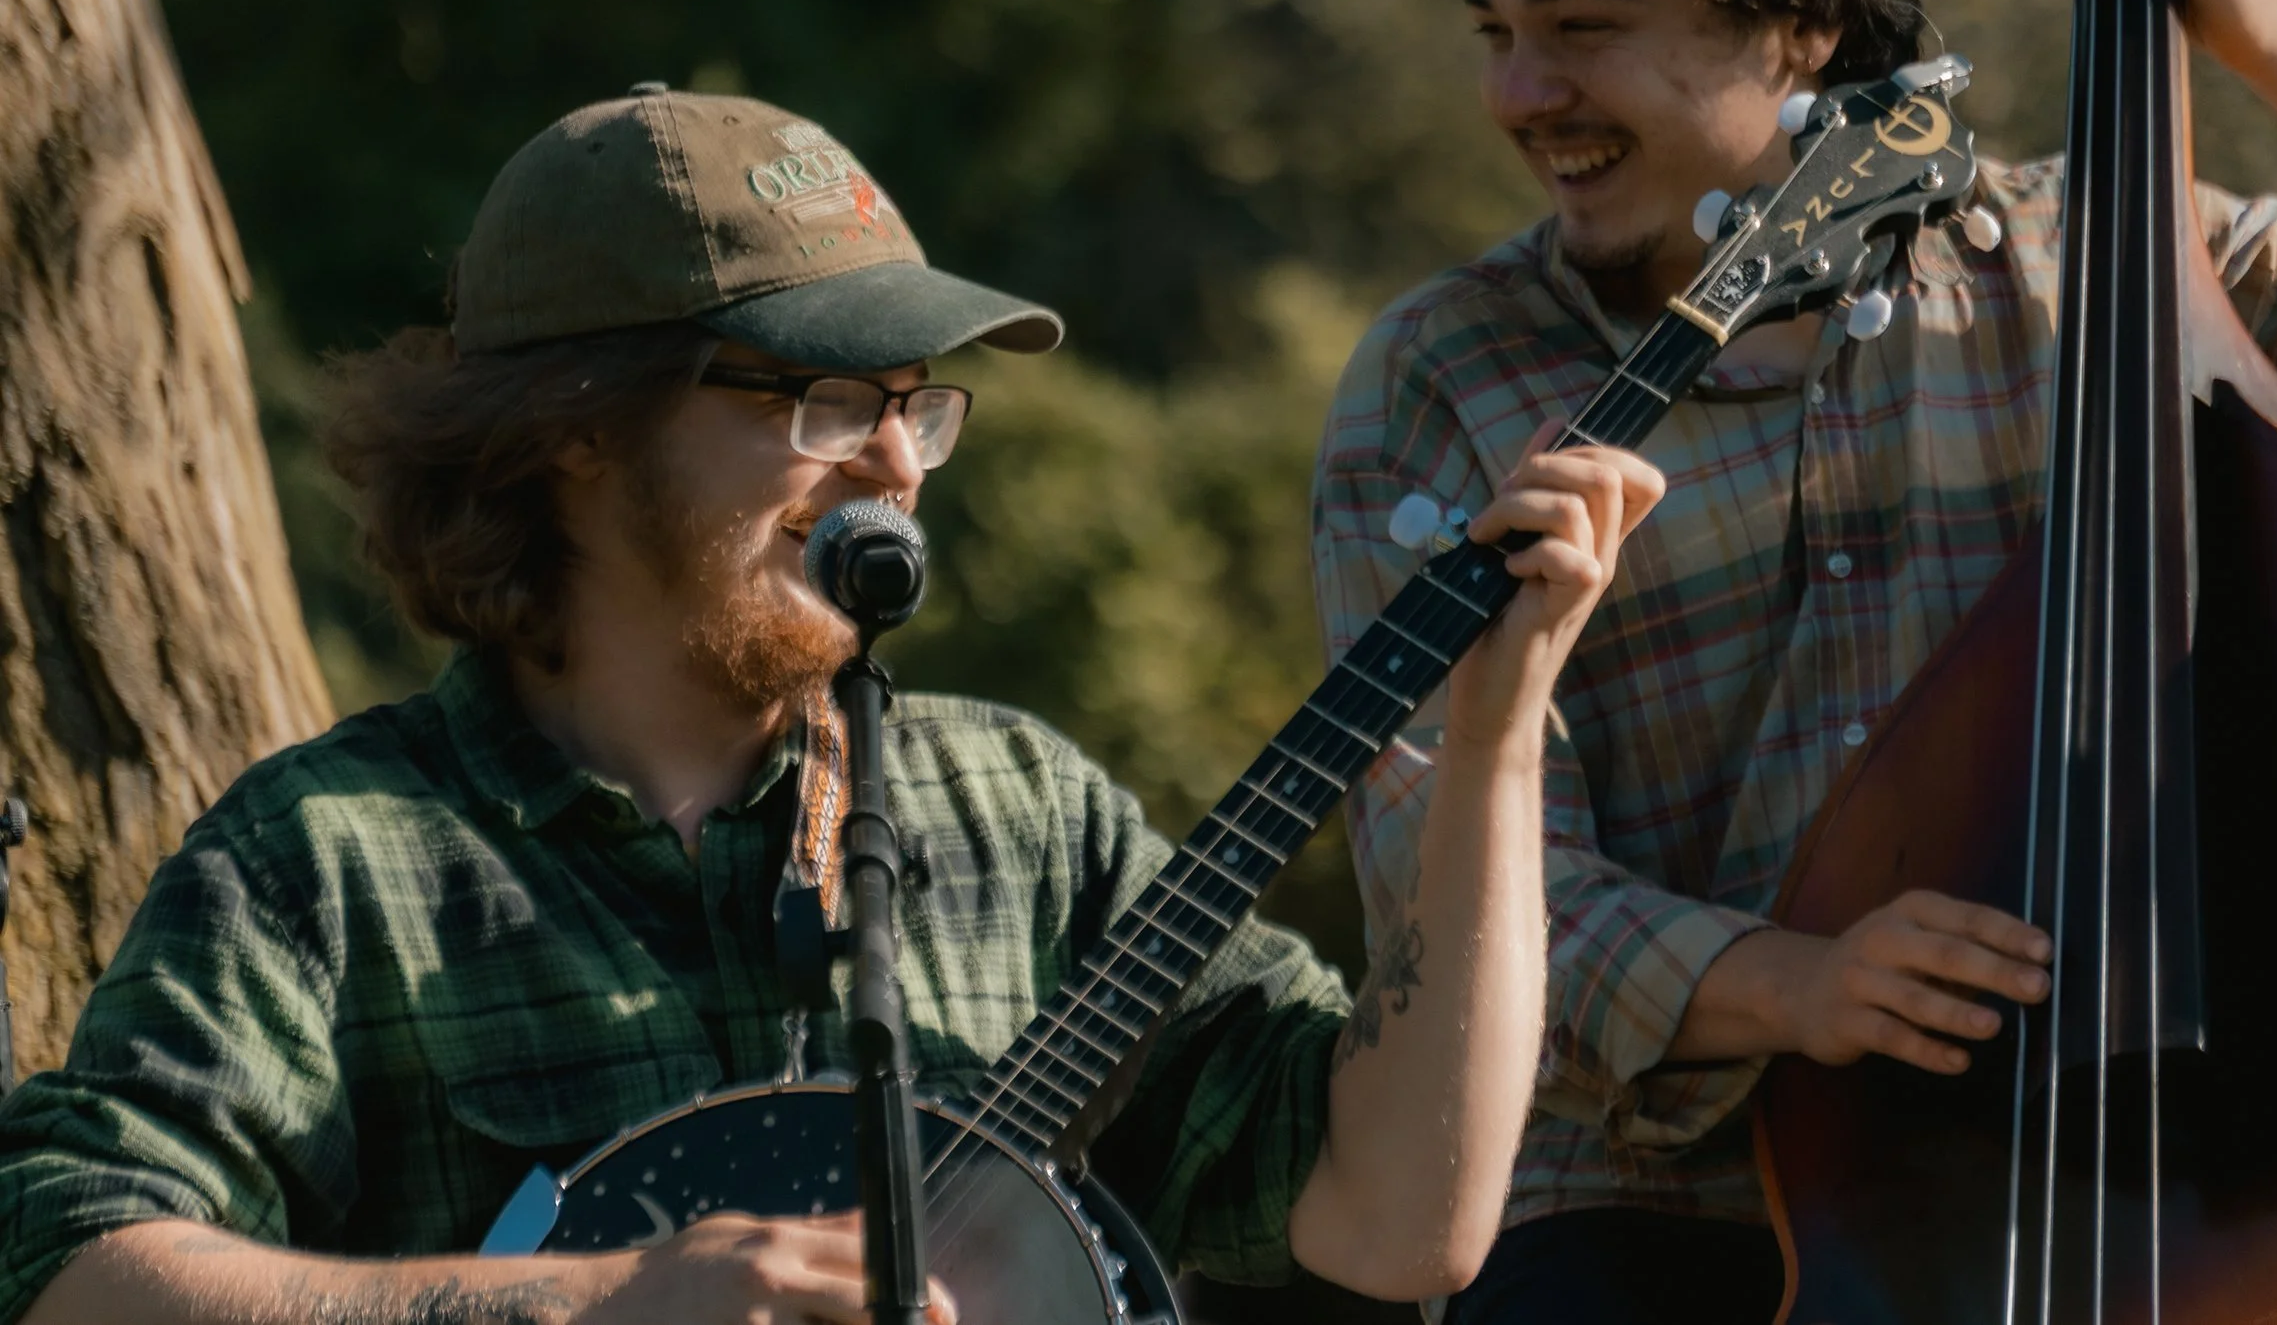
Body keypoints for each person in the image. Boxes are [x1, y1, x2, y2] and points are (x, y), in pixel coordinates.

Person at [0, 83, 1665, 1325]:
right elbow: (68, 1265)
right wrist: (578, 1305)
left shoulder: (1016, 811)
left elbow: (1405, 1217)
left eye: (912, 406)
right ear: (576, 427)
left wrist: (1500, 724)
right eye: (818, 398)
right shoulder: (330, 862)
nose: (893, 460)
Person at [1310, 0, 2277, 1320]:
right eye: (1497, 33)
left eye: (1582, 29)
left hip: (2175, 1192)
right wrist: (1798, 986)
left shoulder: (2120, 267)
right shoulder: (1443, 379)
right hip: (1670, 1211)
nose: (1520, 95)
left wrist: (2275, 38)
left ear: (1797, 16)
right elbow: (1456, 883)